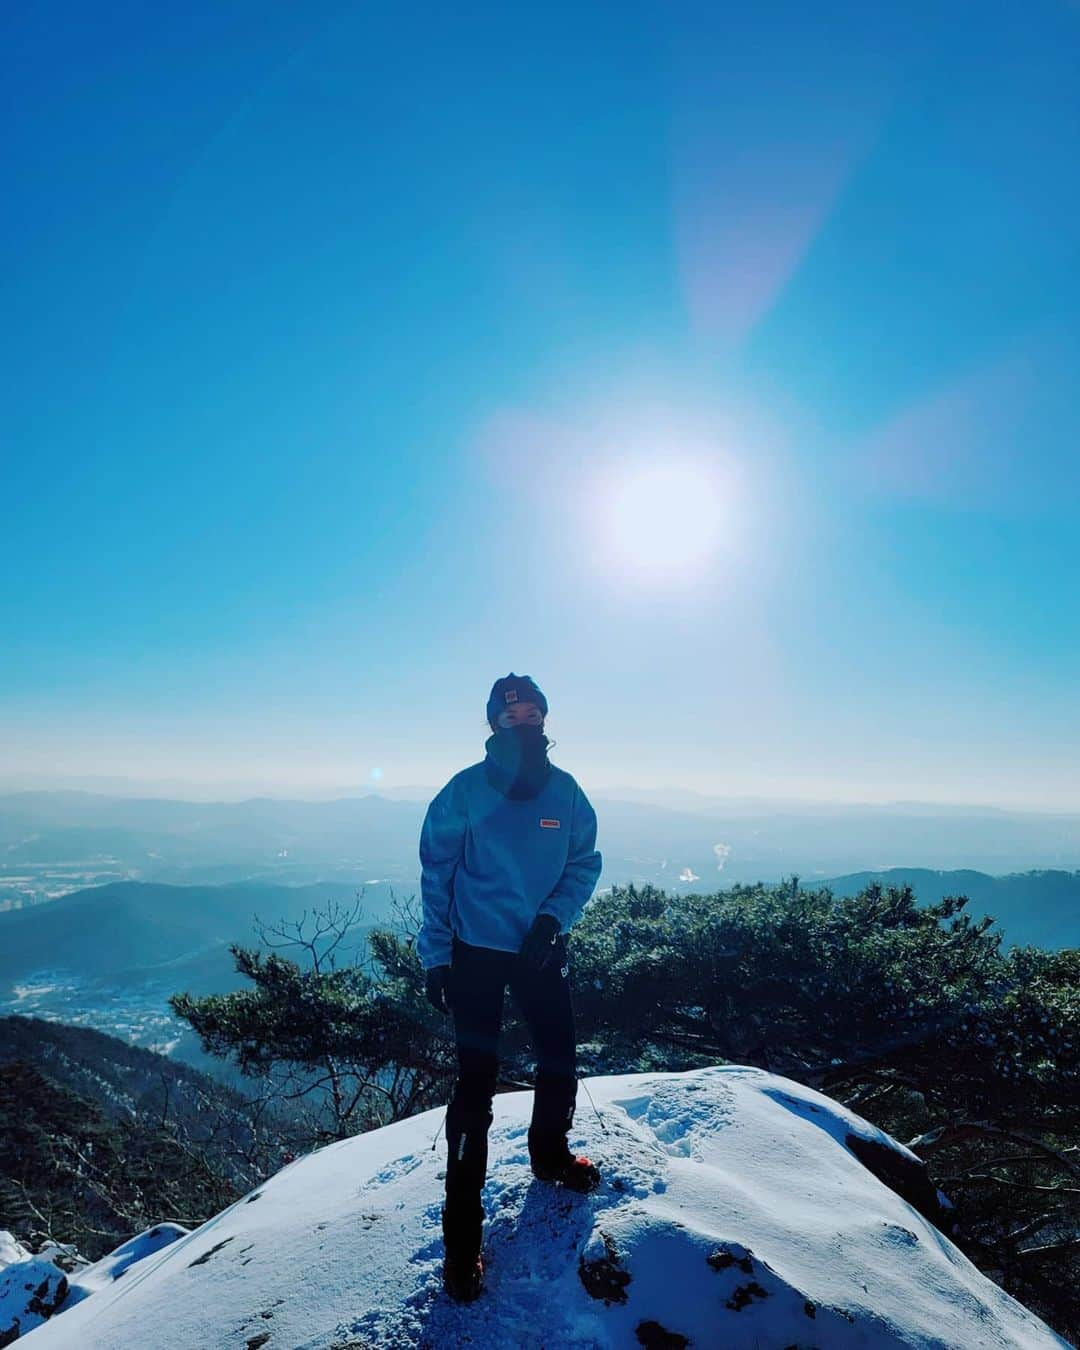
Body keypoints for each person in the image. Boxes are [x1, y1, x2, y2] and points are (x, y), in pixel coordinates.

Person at [417, 673, 603, 1303]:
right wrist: (436, 954)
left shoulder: (567, 793)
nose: (519, 717)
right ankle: (462, 1244)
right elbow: (437, 871)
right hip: (473, 953)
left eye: (529, 708)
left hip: (540, 950)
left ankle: (550, 1155)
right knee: (474, 1087)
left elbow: (583, 864)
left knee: (559, 1060)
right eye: (507, 710)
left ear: (544, 716)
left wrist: (554, 922)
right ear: (492, 723)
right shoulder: (464, 791)